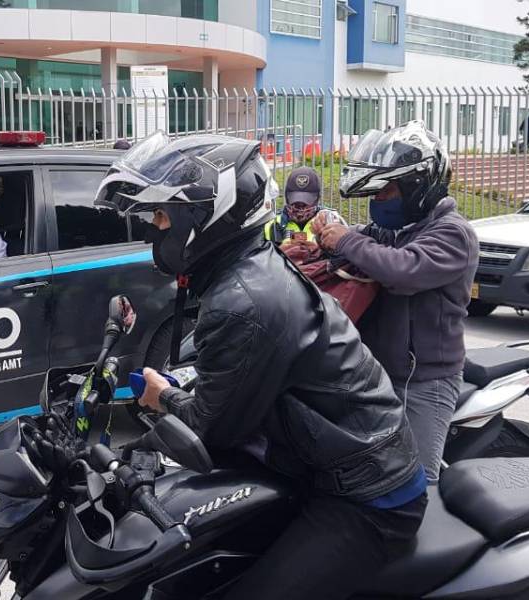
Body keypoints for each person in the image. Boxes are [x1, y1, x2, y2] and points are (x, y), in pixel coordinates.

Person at [97, 132, 425, 600]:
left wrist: (160, 396)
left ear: (205, 215)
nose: (155, 228)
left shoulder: (243, 300)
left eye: (162, 214)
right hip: (321, 463)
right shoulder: (244, 268)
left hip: (368, 493)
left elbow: (213, 429)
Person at [314, 121, 477, 483]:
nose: (377, 203)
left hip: (423, 382)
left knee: (415, 484)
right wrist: (328, 234)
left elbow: (404, 270)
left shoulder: (453, 233)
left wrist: (344, 240)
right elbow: (364, 241)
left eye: (384, 193)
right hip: (377, 373)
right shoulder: (399, 228)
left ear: (417, 186)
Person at [264, 166, 340, 247]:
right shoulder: (273, 226)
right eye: (295, 201)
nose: (300, 207)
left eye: (306, 202)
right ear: (287, 197)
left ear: (317, 199)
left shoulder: (331, 222)